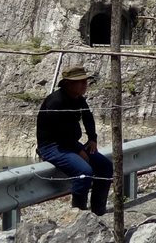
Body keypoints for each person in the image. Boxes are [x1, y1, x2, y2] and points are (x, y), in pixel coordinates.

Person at [36, 66, 112, 215]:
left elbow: (87, 116)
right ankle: (79, 212)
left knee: (105, 166)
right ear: (69, 84)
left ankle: (98, 211)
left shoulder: (78, 98)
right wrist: (79, 151)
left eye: (85, 81)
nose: (85, 85)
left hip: (70, 144)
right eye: (81, 82)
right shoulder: (55, 102)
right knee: (84, 171)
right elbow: (58, 134)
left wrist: (92, 138)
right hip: (53, 146)